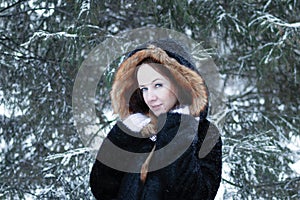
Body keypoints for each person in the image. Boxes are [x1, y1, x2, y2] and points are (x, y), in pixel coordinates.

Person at [90, 39, 222, 200]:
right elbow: (102, 190)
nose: (150, 97)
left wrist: (177, 128)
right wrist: (122, 137)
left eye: (158, 85)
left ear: (180, 83)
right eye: (144, 88)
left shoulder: (206, 134)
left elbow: (197, 195)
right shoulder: (136, 128)